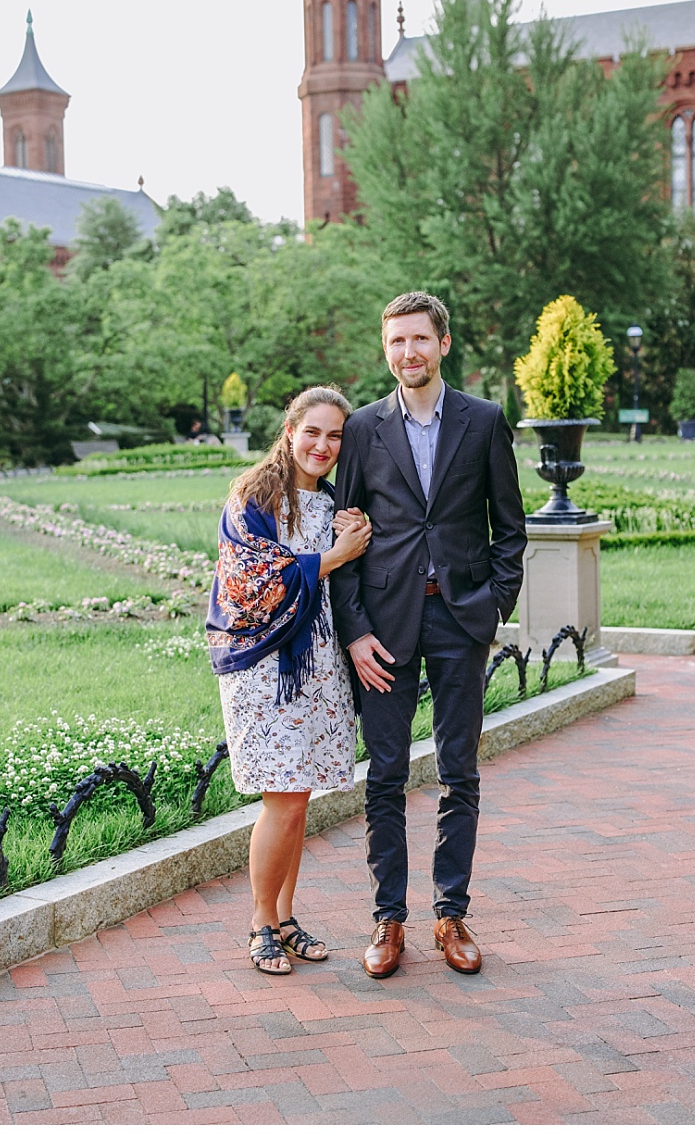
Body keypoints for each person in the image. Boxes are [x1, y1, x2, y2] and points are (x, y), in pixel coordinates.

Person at [329, 291, 526, 979]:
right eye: (395, 342)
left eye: (419, 339)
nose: (407, 352)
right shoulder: (361, 429)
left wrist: (494, 605)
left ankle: (451, 913)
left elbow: (510, 523)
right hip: (383, 628)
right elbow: (345, 535)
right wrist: (353, 630)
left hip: (459, 619)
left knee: (459, 770)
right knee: (384, 774)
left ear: (443, 343)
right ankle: (389, 920)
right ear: (385, 350)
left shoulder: (483, 420)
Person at [207, 386, 372, 974]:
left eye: (335, 436)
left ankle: (284, 914)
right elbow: (248, 583)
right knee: (281, 798)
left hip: (319, 666)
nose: (322, 445)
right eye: (313, 432)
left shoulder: (333, 507)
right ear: (290, 431)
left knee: (299, 801)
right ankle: (259, 923)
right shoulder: (255, 495)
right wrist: (332, 558)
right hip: (264, 668)